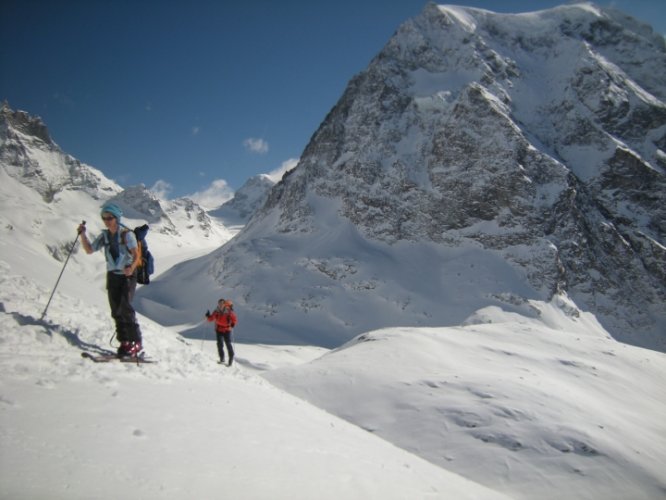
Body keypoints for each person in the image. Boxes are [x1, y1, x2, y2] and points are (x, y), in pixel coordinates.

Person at [78, 203, 144, 358]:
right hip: (113, 275)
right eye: (104, 218)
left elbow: (136, 255)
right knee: (116, 309)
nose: (106, 221)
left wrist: (132, 268)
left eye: (109, 218)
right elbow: (89, 250)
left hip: (127, 275)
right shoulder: (105, 235)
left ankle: (136, 342)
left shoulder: (127, 235)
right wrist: (82, 235)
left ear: (116, 218)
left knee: (125, 307)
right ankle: (124, 342)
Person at [206, 299, 237, 366]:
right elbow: (211, 319)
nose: (220, 305)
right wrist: (208, 316)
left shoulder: (229, 312)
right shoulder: (216, 311)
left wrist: (232, 325)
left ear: (224, 304)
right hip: (219, 329)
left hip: (227, 330)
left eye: (222, 303)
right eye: (219, 303)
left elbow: (234, 319)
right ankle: (222, 359)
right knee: (220, 344)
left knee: (228, 344)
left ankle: (230, 359)